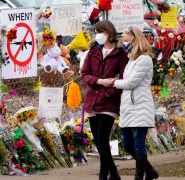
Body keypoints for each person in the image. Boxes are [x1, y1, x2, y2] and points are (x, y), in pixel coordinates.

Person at [81, 20, 128, 180]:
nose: (97, 35)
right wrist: (100, 81)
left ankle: (103, 173)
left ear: (107, 33)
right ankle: (113, 172)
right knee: (99, 140)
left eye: (99, 32)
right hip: (92, 100)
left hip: (108, 101)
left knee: (102, 137)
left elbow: (124, 78)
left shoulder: (120, 53)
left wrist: (110, 92)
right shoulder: (93, 50)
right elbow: (85, 74)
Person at [112, 26, 159, 180]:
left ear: (134, 38)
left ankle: (139, 176)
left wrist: (115, 83)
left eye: (125, 37)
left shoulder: (144, 59)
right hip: (129, 105)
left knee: (138, 143)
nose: (123, 40)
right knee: (127, 144)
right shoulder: (133, 59)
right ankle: (150, 171)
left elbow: (132, 82)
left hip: (140, 104)